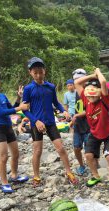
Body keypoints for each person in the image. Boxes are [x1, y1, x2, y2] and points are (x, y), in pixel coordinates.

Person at [23, 57, 78, 186]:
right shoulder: (28, 89)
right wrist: (35, 121)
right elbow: (25, 109)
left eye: (40, 71)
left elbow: (56, 102)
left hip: (50, 122)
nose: (38, 75)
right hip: (37, 123)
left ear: (44, 71)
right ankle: (36, 176)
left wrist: (63, 111)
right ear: (30, 72)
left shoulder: (50, 87)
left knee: (61, 148)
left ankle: (69, 172)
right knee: (37, 151)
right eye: (35, 72)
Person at [75, 68, 109, 189]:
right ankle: (95, 175)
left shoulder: (103, 100)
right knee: (88, 156)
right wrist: (92, 75)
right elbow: (77, 83)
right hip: (94, 134)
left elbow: (103, 82)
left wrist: (98, 72)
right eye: (89, 93)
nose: (91, 96)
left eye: (94, 93)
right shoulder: (86, 99)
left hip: (107, 134)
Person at [0, 69, 29, 193]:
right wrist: (20, 107)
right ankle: (4, 183)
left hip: (8, 127)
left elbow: (10, 109)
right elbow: (0, 112)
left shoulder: (2, 95)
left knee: (16, 154)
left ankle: (14, 176)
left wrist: (18, 98)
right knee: (3, 156)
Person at [71, 69, 90, 176]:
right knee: (77, 147)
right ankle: (82, 165)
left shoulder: (89, 91)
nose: (76, 82)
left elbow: (90, 109)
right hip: (78, 125)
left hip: (89, 125)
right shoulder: (76, 92)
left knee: (89, 149)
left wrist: (77, 115)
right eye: (75, 80)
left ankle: (94, 164)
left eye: (78, 79)